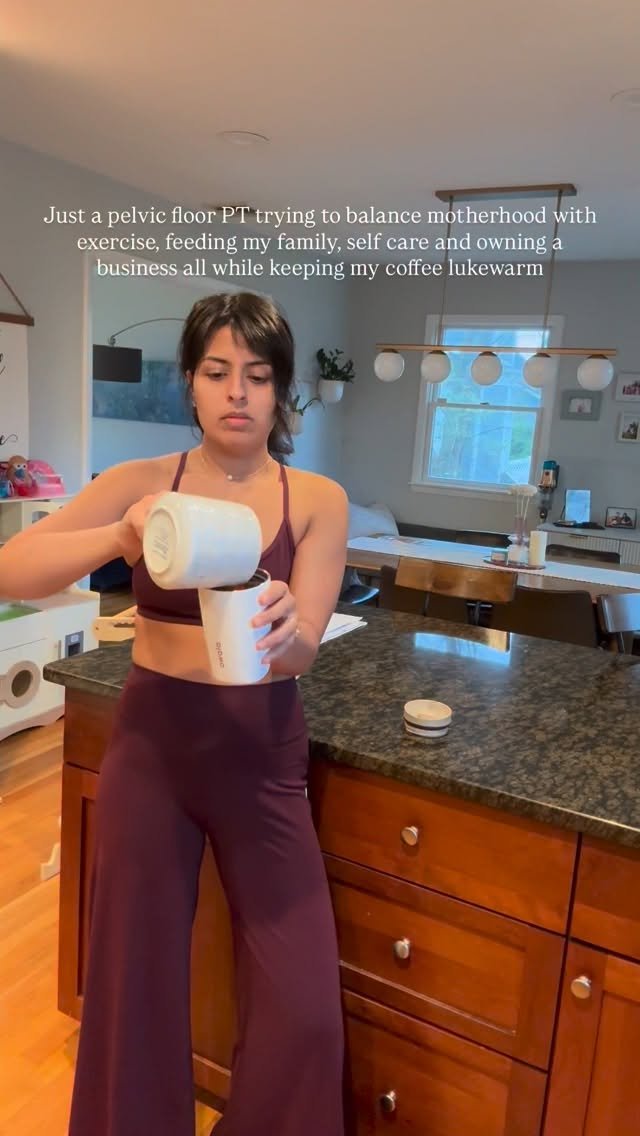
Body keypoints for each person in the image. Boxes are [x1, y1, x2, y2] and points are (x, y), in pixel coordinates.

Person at [0, 291, 349, 1136]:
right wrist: (120, 538)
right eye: (218, 372)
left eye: (257, 376)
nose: (238, 392)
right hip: (153, 746)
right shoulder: (142, 484)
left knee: (303, 1004)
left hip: (264, 752)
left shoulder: (317, 500)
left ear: (280, 390)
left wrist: (286, 629)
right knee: (133, 981)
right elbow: (14, 567)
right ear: (190, 381)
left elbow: (304, 648)